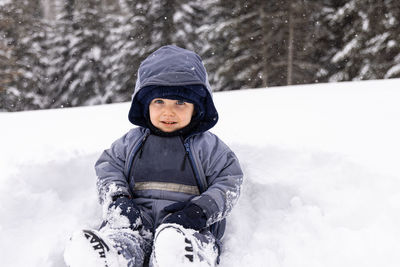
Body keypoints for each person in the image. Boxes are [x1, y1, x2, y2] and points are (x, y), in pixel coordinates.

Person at [64, 45, 243, 267]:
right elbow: (108, 167)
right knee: (123, 238)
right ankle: (109, 257)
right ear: (145, 105)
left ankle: (180, 259)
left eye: (180, 103)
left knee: (188, 244)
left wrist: (200, 210)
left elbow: (229, 181)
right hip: (136, 221)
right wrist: (119, 199)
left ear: (196, 108)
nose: (168, 112)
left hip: (187, 224)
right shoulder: (131, 142)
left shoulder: (208, 146)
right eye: (159, 102)